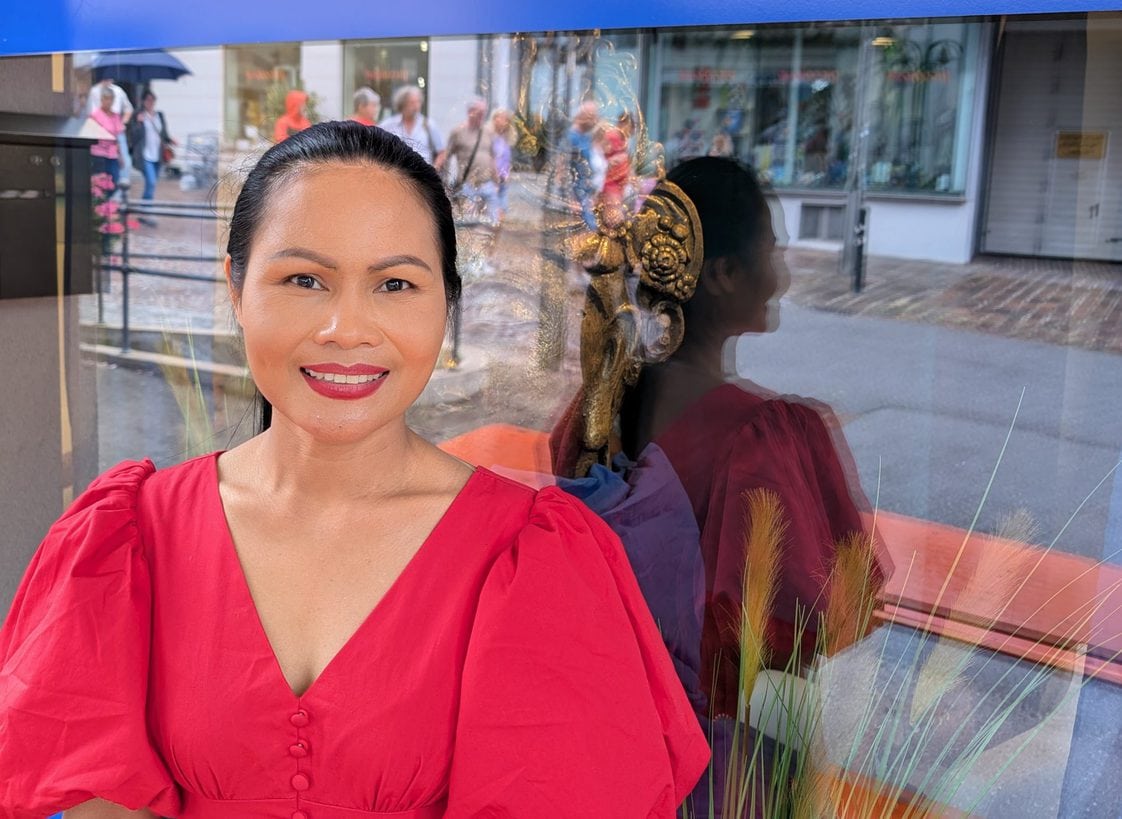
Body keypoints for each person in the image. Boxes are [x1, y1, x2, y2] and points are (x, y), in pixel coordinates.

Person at [0, 121, 709, 818]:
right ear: (236, 288)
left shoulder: (534, 561)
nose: (346, 330)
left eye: (395, 284)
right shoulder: (131, 536)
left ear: (447, 303)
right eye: (304, 279)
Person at [550, 157, 889, 816]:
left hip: (612, 741)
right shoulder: (764, 437)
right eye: (772, 253)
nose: (782, 276)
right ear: (724, 274)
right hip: (715, 767)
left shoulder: (599, 406)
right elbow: (829, 619)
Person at [438, 97, 501, 224]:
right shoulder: (458, 132)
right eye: (479, 112)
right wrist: (442, 180)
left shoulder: (488, 132)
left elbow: (492, 158)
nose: (482, 116)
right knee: (468, 225)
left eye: (484, 112)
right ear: (470, 112)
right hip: (468, 186)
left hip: (488, 185)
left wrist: (496, 182)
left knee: (494, 223)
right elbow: (446, 157)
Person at [128, 89, 175, 223]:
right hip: (145, 155)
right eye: (148, 100)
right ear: (143, 101)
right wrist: (139, 123)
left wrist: (171, 140)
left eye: (152, 100)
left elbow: (163, 133)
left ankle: (143, 210)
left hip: (158, 156)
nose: (150, 102)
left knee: (151, 185)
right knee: (151, 182)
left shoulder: (159, 115)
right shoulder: (138, 115)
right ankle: (147, 212)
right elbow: (133, 136)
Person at [381, 85, 444, 166]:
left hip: (423, 172)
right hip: (397, 171)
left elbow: (441, 152)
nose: (416, 106)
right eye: (412, 103)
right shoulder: (388, 125)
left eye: (418, 102)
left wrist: (434, 170)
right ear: (402, 104)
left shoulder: (428, 124)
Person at [87, 77, 134, 185]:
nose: (108, 102)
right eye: (106, 99)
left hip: (112, 151)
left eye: (110, 99)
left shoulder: (115, 114)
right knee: (99, 180)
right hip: (98, 151)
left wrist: (120, 154)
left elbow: (128, 110)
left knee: (114, 179)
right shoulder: (95, 112)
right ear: (102, 100)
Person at [564, 100, 602, 230]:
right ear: (583, 116)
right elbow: (563, 168)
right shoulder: (571, 138)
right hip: (576, 196)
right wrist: (570, 198)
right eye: (592, 116)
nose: (595, 120)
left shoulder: (586, 136)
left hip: (586, 194)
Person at [489, 107, 515, 222]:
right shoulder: (489, 137)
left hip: (503, 179)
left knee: (502, 209)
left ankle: (497, 231)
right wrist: (494, 175)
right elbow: (490, 157)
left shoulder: (505, 138)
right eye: (502, 118)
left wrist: (507, 173)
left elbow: (506, 159)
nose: (505, 122)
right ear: (495, 119)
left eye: (507, 120)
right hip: (492, 179)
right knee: (494, 211)